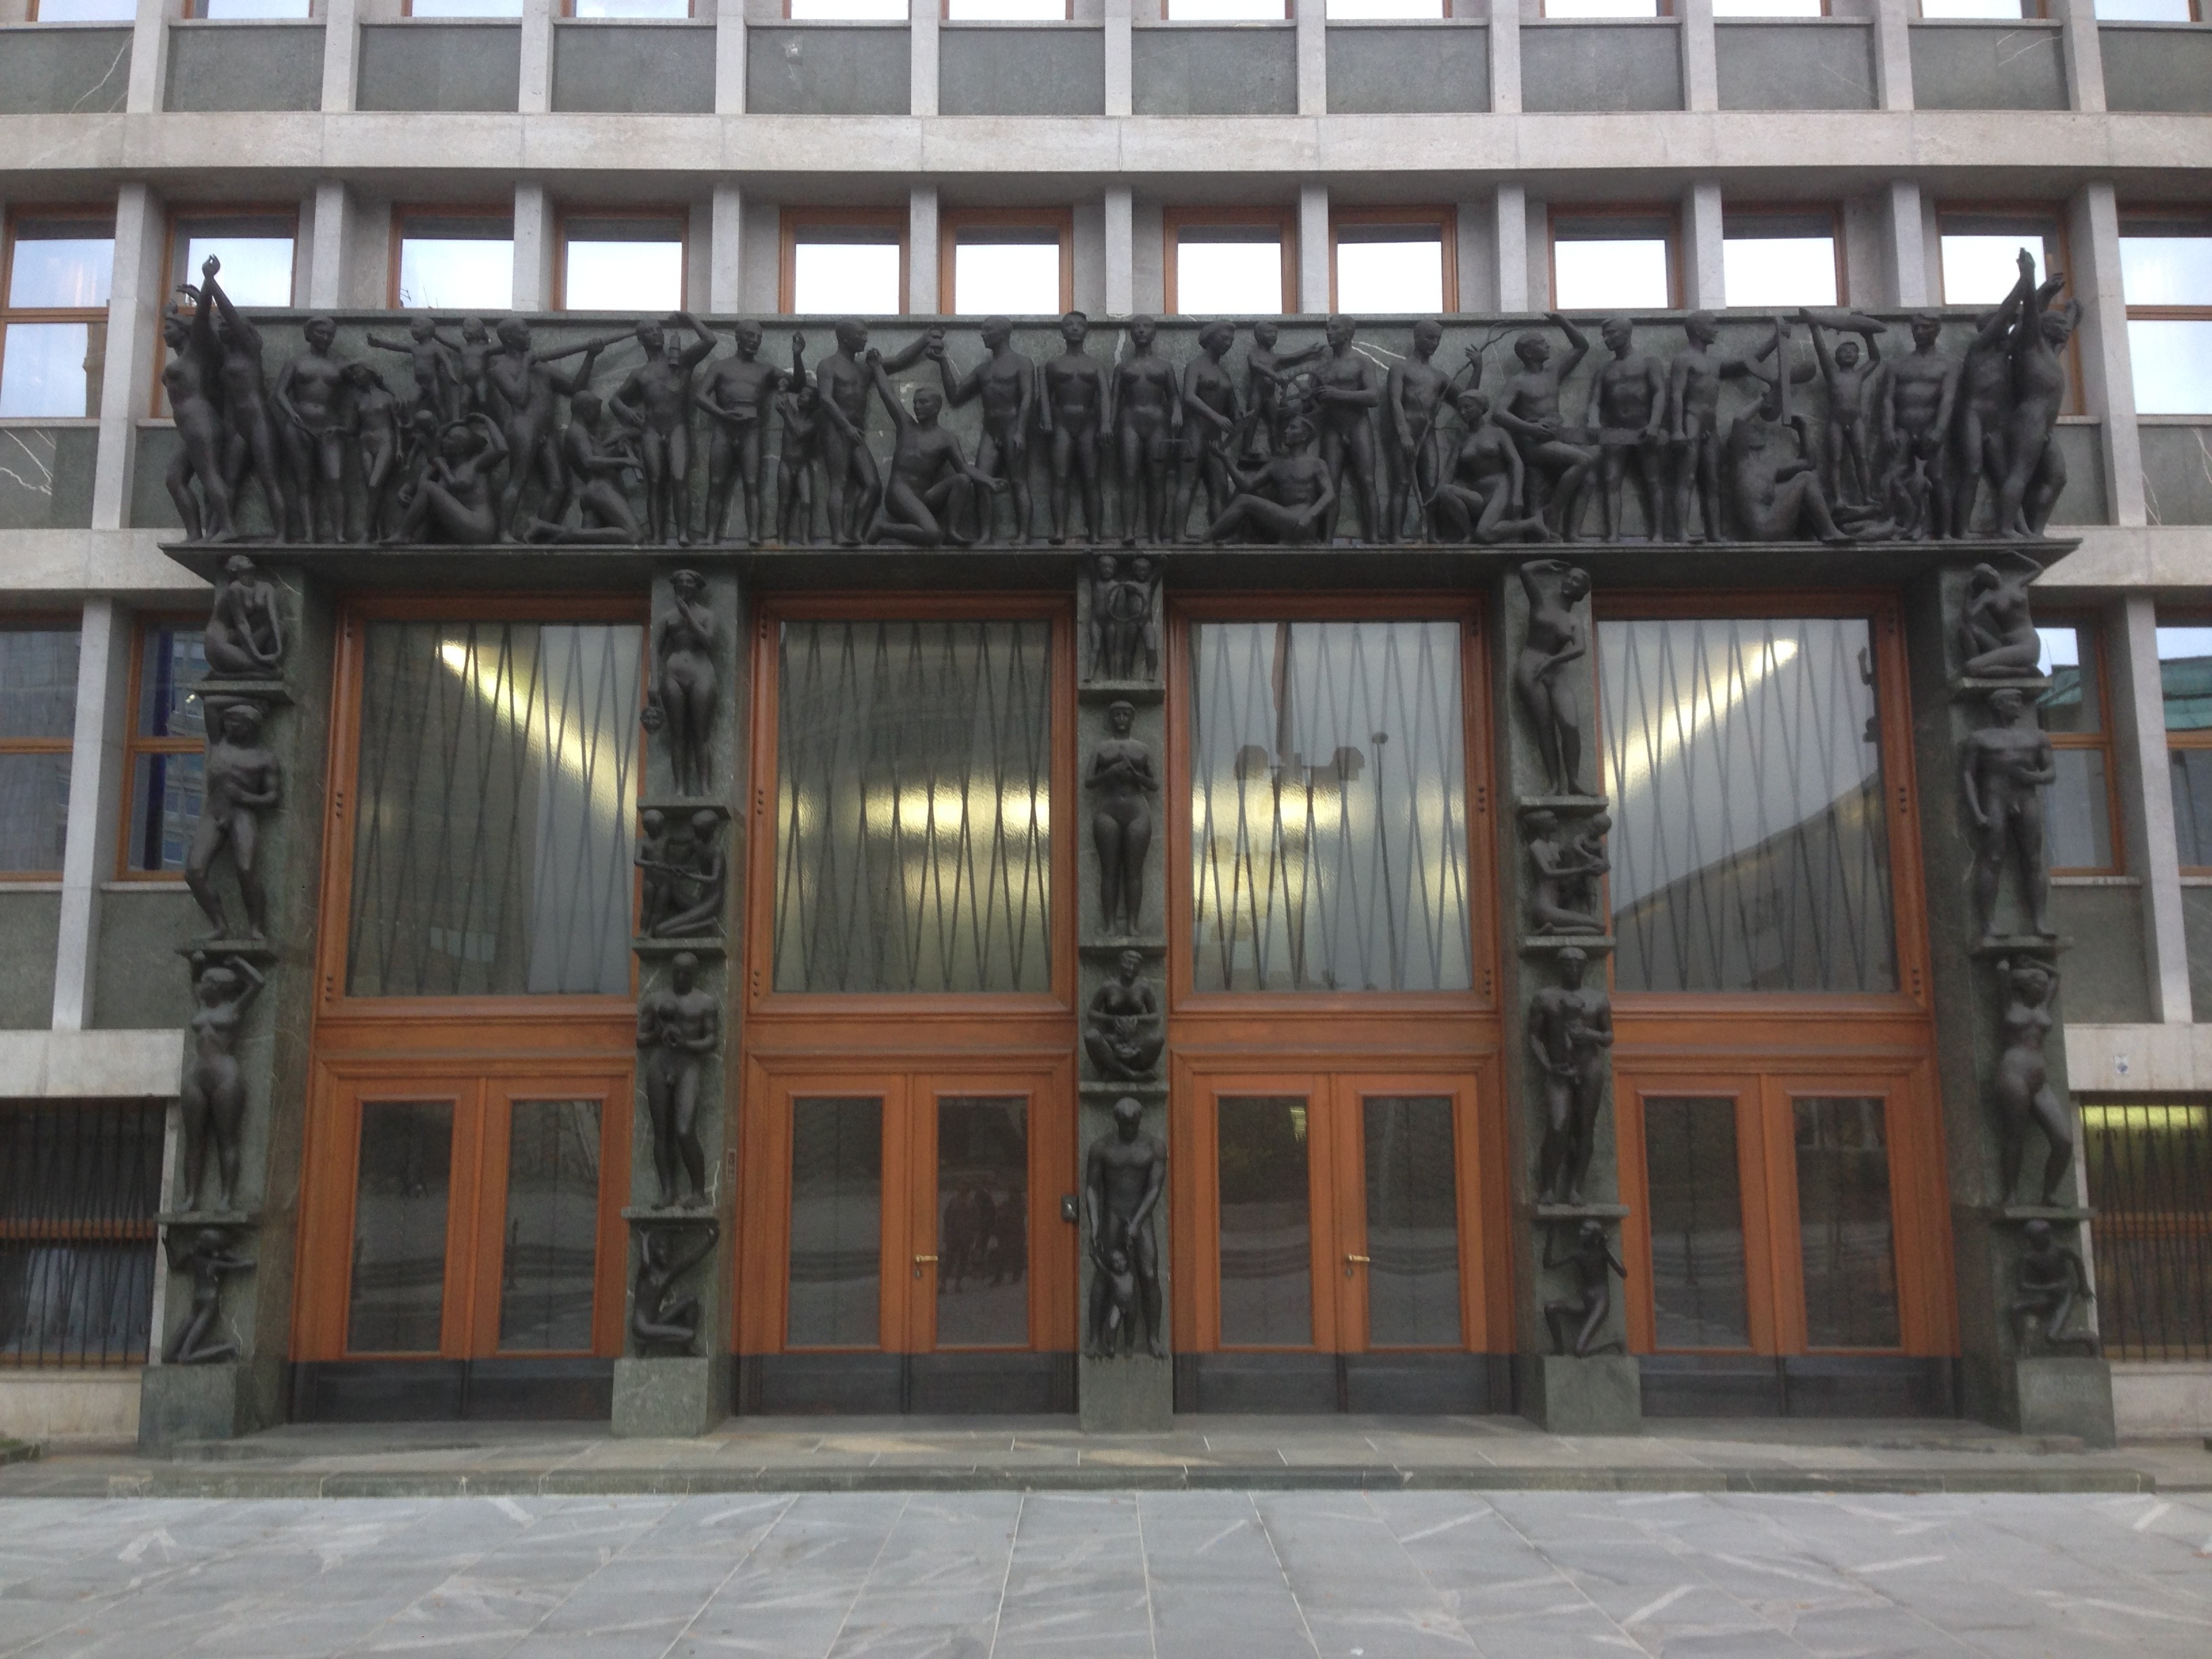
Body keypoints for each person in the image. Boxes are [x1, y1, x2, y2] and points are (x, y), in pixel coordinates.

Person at [485, 316, 619, 539]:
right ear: (509, 339)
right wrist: (526, 366)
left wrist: (590, 356)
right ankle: (504, 532)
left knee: (559, 486)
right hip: (523, 427)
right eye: (523, 333)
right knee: (518, 479)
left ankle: (538, 532)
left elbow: (575, 388)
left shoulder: (542, 367)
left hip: (546, 431)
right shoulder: (500, 369)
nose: (529, 336)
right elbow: (519, 398)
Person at [861, 348, 1005, 546]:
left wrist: (989, 481)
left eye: (923, 403)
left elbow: (964, 468)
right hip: (900, 492)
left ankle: (952, 531)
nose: (917, 407)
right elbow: (888, 395)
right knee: (933, 535)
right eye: (915, 403)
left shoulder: (946, 439)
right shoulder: (906, 426)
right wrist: (877, 366)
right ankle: (882, 528)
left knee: (962, 480)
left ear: (936, 407)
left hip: (925, 497)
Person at [1724, 316, 1849, 544]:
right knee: (1805, 480)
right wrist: (1764, 400)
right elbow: (1739, 421)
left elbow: (1809, 462)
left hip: (1773, 523)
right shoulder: (1742, 462)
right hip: (1764, 527)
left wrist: (1802, 430)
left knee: (1805, 478)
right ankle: (1828, 531)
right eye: (1751, 432)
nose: (1755, 432)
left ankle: (1813, 533)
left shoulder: (1768, 469)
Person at [202, 256, 295, 542]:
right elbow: (203, 329)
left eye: (227, 326)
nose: (222, 327)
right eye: (220, 326)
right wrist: (203, 294)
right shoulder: (226, 357)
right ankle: (219, 531)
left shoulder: (249, 349)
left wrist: (211, 282)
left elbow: (229, 313)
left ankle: (282, 535)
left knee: (270, 481)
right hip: (237, 426)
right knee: (228, 481)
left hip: (259, 422)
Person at [609, 312, 719, 546]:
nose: (656, 333)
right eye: (650, 331)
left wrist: (689, 318)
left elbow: (710, 340)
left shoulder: (681, 361)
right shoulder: (640, 374)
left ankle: (683, 533)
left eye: (658, 329)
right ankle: (657, 535)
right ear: (641, 340)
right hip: (651, 429)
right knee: (655, 482)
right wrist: (628, 413)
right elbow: (615, 400)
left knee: (680, 479)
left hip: (677, 426)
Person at [1994, 250, 2083, 539]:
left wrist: (2072, 312)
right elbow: (2032, 311)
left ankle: (2036, 531)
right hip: (2028, 420)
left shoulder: (2050, 354)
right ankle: (2005, 528)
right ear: (2045, 327)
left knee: (2058, 478)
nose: (2065, 331)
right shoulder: (2030, 346)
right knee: (2020, 474)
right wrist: (2030, 277)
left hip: (2045, 426)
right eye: (2060, 325)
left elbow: (2067, 328)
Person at [1961, 687, 2059, 945]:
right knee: (1992, 858)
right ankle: (1988, 924)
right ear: (1999, 705)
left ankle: (2040, 921)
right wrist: (1976, 811)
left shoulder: (2037, 736)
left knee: (2033, 859)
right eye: (2014, 701)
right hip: (1994, 798)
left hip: (2026, 798)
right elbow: (1969, 775)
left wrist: (2033, 777)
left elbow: (2050, 773)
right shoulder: (1980, 739)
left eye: (2020, 700)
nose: (2019, 706)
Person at [930, 316, 1037, 544]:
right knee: (981, 480)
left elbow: (1028, 397)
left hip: (1012, 427)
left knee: (1018, 481)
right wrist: (942, 362)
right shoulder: (983, 369)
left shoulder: (1022, 363)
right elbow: (955, 396)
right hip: (991, 431)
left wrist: (1020, 431)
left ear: (1002, 333)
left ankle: (1024, 535)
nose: (982, 334)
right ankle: (985, 534)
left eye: (987, 330)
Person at [1492, 317, 1595, 538]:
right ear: (1529, 352)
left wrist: (1562, 321)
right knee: (1584, 460)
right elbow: (1499, 413)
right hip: (1533, 444)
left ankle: (1572, 533)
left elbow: (1581, 346)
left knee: (1588, 479)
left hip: (1553, 441)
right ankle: (1552, 515)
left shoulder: (1553, 373)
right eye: (1541, 343)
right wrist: (1530, 429)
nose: (1547, 345)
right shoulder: (1518, 381)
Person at [186, 701, 280, 941]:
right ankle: (219, 925)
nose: (228, 726)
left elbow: (273, 797)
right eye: (227, 721)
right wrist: (254, 699)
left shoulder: (264, 759)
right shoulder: (219, 743)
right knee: (194, 871)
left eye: (235, 722)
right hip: (214, 812)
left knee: (246, 870)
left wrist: (245, 797)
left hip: (242, 814)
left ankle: (256, 927)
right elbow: (211, 704)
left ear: (249, 726)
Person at [179, 952, 264, 1213]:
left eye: (207, 982)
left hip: (225, 1075)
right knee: (194, 1141)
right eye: (203, 981)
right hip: (197, 1073)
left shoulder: (234, 1008)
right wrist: (196, 962)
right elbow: (194, 980)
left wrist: (238, 962)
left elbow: (258, 983)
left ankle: (226, 1197)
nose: (202, 986)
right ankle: (190, 1197)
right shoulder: (202, 1006)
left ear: (218, 987)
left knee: (227, 1139)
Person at [1530, 946, 1612, 1205]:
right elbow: (1534, 1036)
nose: (1573, 970)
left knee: (1585, 1129)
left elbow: (1608, 1036)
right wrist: (1548, 1066)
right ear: (1560, 967)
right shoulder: (1545, 997)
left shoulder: (1598, 999)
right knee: (1558, 1126)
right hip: (1559, 1070)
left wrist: (1589, 1034)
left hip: (1589, 1068)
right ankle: (1548, 1186)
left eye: (1578, 965)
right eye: (1568, 965)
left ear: (1585, 968)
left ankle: (1576, 1187)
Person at [1084, 1096, 1166, 1359]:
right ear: (1117, 1121)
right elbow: (1092, 1188)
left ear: (1140, 1120)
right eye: (1125, 1124)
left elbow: (1154, 1188)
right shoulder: (1101, 1148)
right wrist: (1095, 1225)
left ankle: (1153, 1338)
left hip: (1141, 1214)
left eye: (1134, 1123)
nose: (1130, 1128)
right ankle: (1095, 1338)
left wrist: (1138, 1222)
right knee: (1103, 1276)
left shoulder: (1154, 1146)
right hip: (1112, 1214)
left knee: (1149, 1275)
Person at [695, 319, 786, 546]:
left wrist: (797, 356)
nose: (754, 341)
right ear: (738, 337)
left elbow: (798, 382)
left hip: (751, 431)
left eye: (758, 338)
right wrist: (722, 414)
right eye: (750, 336)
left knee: (752, 484)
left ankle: (754, 535)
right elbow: (700, 396)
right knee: (716, 483)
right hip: (724, 429)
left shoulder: (765, 370)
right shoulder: (720, 367)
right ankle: (710, 535)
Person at [1993, 958, 2074, 1208]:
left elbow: (2057, 975)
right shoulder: (2010, 1004)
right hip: (2013, 1074)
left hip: (2040, 1079)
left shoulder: (2043, 1007)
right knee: (2014, 1135)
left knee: (2064, 1140)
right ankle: (2011, 1194)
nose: (2042, 990)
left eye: (2043, 986)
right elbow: (2001, 969)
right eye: (2037, 985)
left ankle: (2049, 1194)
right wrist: (2009, 960)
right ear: (2024, 986)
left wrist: (2035, 962)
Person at [636, 951, 715, 1208]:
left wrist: (685, 1043)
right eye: (677, 973)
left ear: (694, 975)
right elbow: (640, 1039)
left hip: (687, 1065)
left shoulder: (705, 1002)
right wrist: (658, 1034)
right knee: (662, 1132)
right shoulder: (655, 1000)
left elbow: (711, 1040)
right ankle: (668, 1191)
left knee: (684, 1129)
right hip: (660, 1063)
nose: (681, 978)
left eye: (686, 974)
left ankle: (698, 1191)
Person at [159, 282, 235, 543]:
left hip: (202, 423)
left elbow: (202, 320)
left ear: (184, 332)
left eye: (169, 329)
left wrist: (204, 288)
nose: (164, 334)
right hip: (188, 429)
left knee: (209, 475)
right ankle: (194, 533)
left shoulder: (195, 354)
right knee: (174, 479)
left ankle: (228, 527)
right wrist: (169, 315)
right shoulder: (182, 358)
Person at [1581, 316, 1668, 541]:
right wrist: (1593, 420)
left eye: (1611, 333)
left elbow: (1659, 392)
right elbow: (1595, 401)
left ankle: (1659, 533)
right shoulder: (1605, 370)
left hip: (1644, 430)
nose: (1606, 339)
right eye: (1604, 335)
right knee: (1611, 480)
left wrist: (1654, 424)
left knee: (1653, 480)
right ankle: (1613, 534)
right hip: (1615, 431)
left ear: (1626, 333)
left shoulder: (1649, 362)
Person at [1429, 390, 1553, 546]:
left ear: (1482, 408)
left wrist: (1516, 494)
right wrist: (1435, 498)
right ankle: (1468, 534)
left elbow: (1516, 463)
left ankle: (1532, 523)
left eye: (1467, 407)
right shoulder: (1462, 439)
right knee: (1445, 491)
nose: (1463, 412)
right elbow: (1449, 472)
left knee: (1484, 534)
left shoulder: (1498, 433)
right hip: (1478, 493)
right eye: (1460, 409)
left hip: (1500, 489)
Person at [1879, 311, 1963, 541]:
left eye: (1925, 327)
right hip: (1902, 430)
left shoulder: (1948, 365)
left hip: (1931, 428)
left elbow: (1948, 399)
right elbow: (1887, 399)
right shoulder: (1897, 365)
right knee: (1892, 478)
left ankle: (1945, 531)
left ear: (1937, 330)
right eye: (1916, 327)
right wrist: (1888, 429)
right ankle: (1896, 525)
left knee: (1938, 478)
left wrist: (1939, 430)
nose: (1919, 332)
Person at [1515, 559, 1593, 798]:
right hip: (1531, 665)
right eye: (1569, 577)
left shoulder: (1573, 621)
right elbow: (1525, 570)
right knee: (1545, 724)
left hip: (1554, 668)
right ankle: (1555, 784)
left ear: (1582, 592)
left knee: (1570, 723)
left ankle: (1574, 781)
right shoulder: (1542, 601)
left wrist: (1552, 661)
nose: (1570, 582)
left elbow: (1580, 648)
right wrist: (1548, 564)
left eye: (1577, 581)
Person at [271, 314, 352, 542]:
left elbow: (357, 389)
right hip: (299, 425)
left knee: (335, 479)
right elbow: (279, 393)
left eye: (330, 334)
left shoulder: (339, 364)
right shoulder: (296, 362)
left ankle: (340, 535)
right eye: (321, 332)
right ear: (309, 334)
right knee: (304, 482)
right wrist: (292, 415)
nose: (325, 338)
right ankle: (309, 534)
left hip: (329, 427)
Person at [527, 388, 644, 545]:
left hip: (595, 491)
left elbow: (601, 461)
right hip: (601, 490)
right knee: (634, 536)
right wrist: (626, 462)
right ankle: (557, 530)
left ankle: (547, 529)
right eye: (596, 411)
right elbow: (589, 462)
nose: (598, 416)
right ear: (585, 409)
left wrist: (618, 451)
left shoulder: (583, 433)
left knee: (589, 547)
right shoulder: (577, 432)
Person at [1799, 308, 1888, 509]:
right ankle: (1838, 498)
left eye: (1852, 351)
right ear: (1836, 357)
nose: (1848, 353)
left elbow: (1875, 359)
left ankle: (1866, 496)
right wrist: (1814, 328)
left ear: (1857, 357)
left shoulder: (1860, 374)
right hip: (1836, 421)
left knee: (1862, 458)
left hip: (1856, 420)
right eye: (1843, 351)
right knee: (1836, 459)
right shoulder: (1832, 373)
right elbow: (1821, 350)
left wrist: (1867, 334)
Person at [1204, 414, 1336, 544]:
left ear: (1304, 436)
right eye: (1287, 427)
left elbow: (1330, 495)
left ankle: (1205, 538)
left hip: (1303, 522)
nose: (1286, 431)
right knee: (1243, 494)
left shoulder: (1317, 464)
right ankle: (1238, 535)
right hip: (1281, 521)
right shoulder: (1276, 464)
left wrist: (1310, 515)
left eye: (1293, 428)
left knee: (1245, 500)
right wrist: (1225, 458)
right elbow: (1246, 486)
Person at [1311, 314, 1385, 544]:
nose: (1329, 333)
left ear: (1348, 333)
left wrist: (1337, 394)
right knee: (1329, 486)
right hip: (1332, 430)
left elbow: (1373, 397)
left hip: (1358, 426)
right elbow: (1310, 403)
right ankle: (1326, 540)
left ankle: (1373, 538)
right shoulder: (1322, 369)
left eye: (1334, 328)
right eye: (1327, 328)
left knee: (1367, 481)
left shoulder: (1362, 362)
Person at [1087, 701, 1158, 936]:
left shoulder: (1142, 749)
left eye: (1125, 715)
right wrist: (1110, 772)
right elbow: (1089, 782)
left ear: (1132, 719)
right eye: (1117, 715)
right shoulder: (1101, 748)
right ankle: (1110, 925)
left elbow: (1154, 784)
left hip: (1136, 810)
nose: (1121, 719)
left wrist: (1136, 775)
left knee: (1134, 870)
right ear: (1111, 718)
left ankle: (1132, 925)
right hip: (1108, 809)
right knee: (1109, 870)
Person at [1040, 310, 1111, 544]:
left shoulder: (1096, 365)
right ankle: (1060, 531)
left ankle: (1095, 533)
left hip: (1088, 423)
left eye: (1079, 325)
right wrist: (1046, 420)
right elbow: (1044, 396)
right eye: (1069, 325)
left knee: (1092, 479)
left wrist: (1106, 423)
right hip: (1061, 422)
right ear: (1062, 331)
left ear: (1086, 330)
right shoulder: (1052, 365)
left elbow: (1105, 396)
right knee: (1060, 477)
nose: (1075, 329)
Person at [1387, 319, 1458, 542]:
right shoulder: (1400, 368)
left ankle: (1432, 535)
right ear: (1417, 337)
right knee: (1402, 484)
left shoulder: (1439, 376)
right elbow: (1395, 401)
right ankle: (1396, 535)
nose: (1434, 343)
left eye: (1438, 339)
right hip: (1406, 433)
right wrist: (1403, 434)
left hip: (1428, 435)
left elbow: (1467, 400)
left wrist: (1478, 368)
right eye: (1430, 338)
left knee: (1430, 485)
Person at [390, 414, 510, 546]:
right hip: (461, 524)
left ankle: (402, 534)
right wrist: (405, 489)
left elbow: (502, 450)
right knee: (430, 493)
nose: (443, 441)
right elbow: (420, 484)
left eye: (450, 439)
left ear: (461, 448)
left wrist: (487, 420)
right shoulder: (447, 466)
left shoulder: (475, 464)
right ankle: (415, 538)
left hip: (479, 526)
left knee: (429, 488)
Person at [1174, 321, 1242, 541]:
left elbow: (1232, 405)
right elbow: (1189, 396)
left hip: (1214, 438)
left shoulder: (1224, 373)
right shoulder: (1195, 366)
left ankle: (1218, 534)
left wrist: (1239, 416)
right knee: (1188, 483)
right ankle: (1179, 534)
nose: (1228, 343)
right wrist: (1217, 417)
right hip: (1194, 432)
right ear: (1210, 339)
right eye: (1224, 338)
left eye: (1231, 340)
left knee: (1219, 487)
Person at [652, 569, 717, 796]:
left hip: (701, 672)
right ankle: (680, 788)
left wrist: (688, 616)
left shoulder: (706, 615)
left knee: (701, 734)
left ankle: (705, 787)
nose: (685, 586)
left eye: (689, 582)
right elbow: (656, 649)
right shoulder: (667, 617)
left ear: (696, 587)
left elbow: (709, 641)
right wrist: (653, 681)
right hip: (674, 673)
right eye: (680, 582)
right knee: (677, 735)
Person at [165, 1228, 255, 1366]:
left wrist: (224, 1260)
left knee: (184, 1358)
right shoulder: (193, 1256)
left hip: (209, 1305)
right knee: (169, 1356)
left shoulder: (217, 1261)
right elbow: (175, 1266)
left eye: (201, 1242)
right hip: (196, 1307)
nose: (197, 1243)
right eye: (198, 1240)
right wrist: (168, 1247)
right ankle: (217, 1350)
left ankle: (229, 1348)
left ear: (209, 1247)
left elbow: (249, 1263)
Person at [630, 1223, 719, 1354]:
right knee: (689, 1335)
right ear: (654, 1252)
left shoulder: (667, 1275)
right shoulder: (645, 1275)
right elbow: (646, 1262)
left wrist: (710, 1243)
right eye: (662, 1250)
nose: (667, 1254)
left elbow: (690, 1261)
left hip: (655, 1322)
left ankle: (682, 1346)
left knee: (691, 1301)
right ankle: (645, 1342)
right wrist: (646, 1237)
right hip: (641, 1326)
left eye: (669, 1250)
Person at [1542, 1220, 1626, 1358]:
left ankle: (1614, 1341)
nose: (1581, 1233)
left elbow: (1623, 1273)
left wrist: (1608, 1250)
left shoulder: (1602, 1252)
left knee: (1580, 1351)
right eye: (1582, 1230)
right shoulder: (1578, 1253)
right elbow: (1549, 1264)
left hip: (1600, 1302)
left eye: (1586, 1231)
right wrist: (1550, 1238)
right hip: (1585, 1299)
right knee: (1550, 1308)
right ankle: (1559, 1348)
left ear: (1594, 1237)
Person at [2011, 1218, 2096, 1353]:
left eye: (2049, 1234)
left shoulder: (2060, 1248)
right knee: (2016, 1308)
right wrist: (2048, 1288)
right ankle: (2022, 1348)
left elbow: (2077, 1260)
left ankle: (2089, 1338)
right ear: (2033, 1239)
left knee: (2052, 1337)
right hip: (2046, 1296)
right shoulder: (2028, 1257)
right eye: (2044, 1235)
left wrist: (2083, 1285)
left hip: (2064, 1295)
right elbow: (2022, 1285)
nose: (2049, 1237)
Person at [365, 312, 462, 424]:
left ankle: (445, 425)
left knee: (438, 404)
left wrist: (452, 376)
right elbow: (396, 346)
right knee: (411, 402)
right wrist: (379, 343)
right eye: (412, 327)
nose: (412, 330)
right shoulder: (414, 347)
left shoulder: (435, 348)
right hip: (419, 383)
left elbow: (446, 361)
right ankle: (410, 425)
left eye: (416, 326)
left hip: (433, 382)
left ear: (427, 331)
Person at [343, 361, 403, 544]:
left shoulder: (387, 397)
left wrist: (400, 448)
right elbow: (353, 428)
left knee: (374, 485)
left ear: (369, 372)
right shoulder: (359, 400)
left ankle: (367, 531)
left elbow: (397, 425)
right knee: (373, 489)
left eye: (358, 372)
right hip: (365, 443)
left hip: (386, 441)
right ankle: (381, 531)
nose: (356, 377)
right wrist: (338, 430)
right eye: (353, 375)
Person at [1084, 949, 1163, 1081]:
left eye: (1136, 965)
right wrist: (1113, 1020)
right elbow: (1091, 1013)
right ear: (1120, 964)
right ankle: (1131, 1074)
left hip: (1135, 1040)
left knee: (1157, 1038)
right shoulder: (1108, 986)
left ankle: (1121, 1072)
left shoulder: (1144, 988)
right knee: (1091, 1036)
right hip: (1112, 1040)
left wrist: (1137, 1019)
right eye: (1128, 963)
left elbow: (1155, 1016)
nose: (1131, 968)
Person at [203, 554, 283, 678]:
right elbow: (241, 623)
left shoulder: (265, 587)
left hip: (241, 639)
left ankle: (225, 674)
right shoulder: (235, 589)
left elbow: (274, 618)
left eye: (246, 558)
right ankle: (226, 675)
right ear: (234, 570)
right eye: (240, 560)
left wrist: (279, 649)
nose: (246, 559)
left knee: (281, 628)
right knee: (269, 672)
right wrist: (258, 656)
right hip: (219, 642)